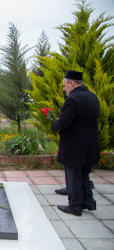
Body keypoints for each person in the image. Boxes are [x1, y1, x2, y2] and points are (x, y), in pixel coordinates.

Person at [51, 70, 100, 216]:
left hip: (75, 145)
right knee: (84, 174)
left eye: (64, 85)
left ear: (72, 83)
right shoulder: (92, 96)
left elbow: (64, 123)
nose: (63, 88)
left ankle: (75, 206)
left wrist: (55, 123)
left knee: (73, 176)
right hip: (90, 143)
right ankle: (88, 202)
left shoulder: (73, 99)